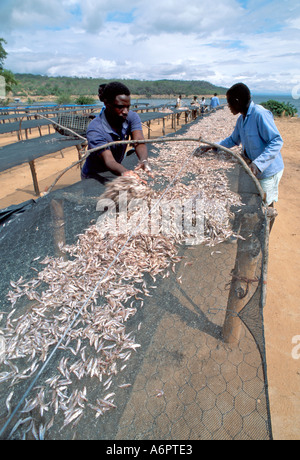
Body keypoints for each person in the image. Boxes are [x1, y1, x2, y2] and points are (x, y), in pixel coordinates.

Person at [199, 83, 284, 226]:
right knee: (252, 199)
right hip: (253, 167)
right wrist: (211, 146)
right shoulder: (241, 119)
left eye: (229, 102)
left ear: (237, 102)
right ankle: (252, 228)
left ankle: (264, 238)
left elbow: (276, 141)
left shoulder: (259, 114)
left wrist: (258, 164)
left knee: (266, 204)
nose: (228, 106)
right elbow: (233, 140)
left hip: (268, 170)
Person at [81, 81, 151, 183]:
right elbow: (108, 160)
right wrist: (125, 172)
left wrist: (143, 160)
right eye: (120, 107)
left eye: (128, 107)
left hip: (115, 170)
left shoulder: (131, 117)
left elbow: (139, 140)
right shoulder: (95, 128)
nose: (125, 111)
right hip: (94, 175)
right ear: (106, 103)